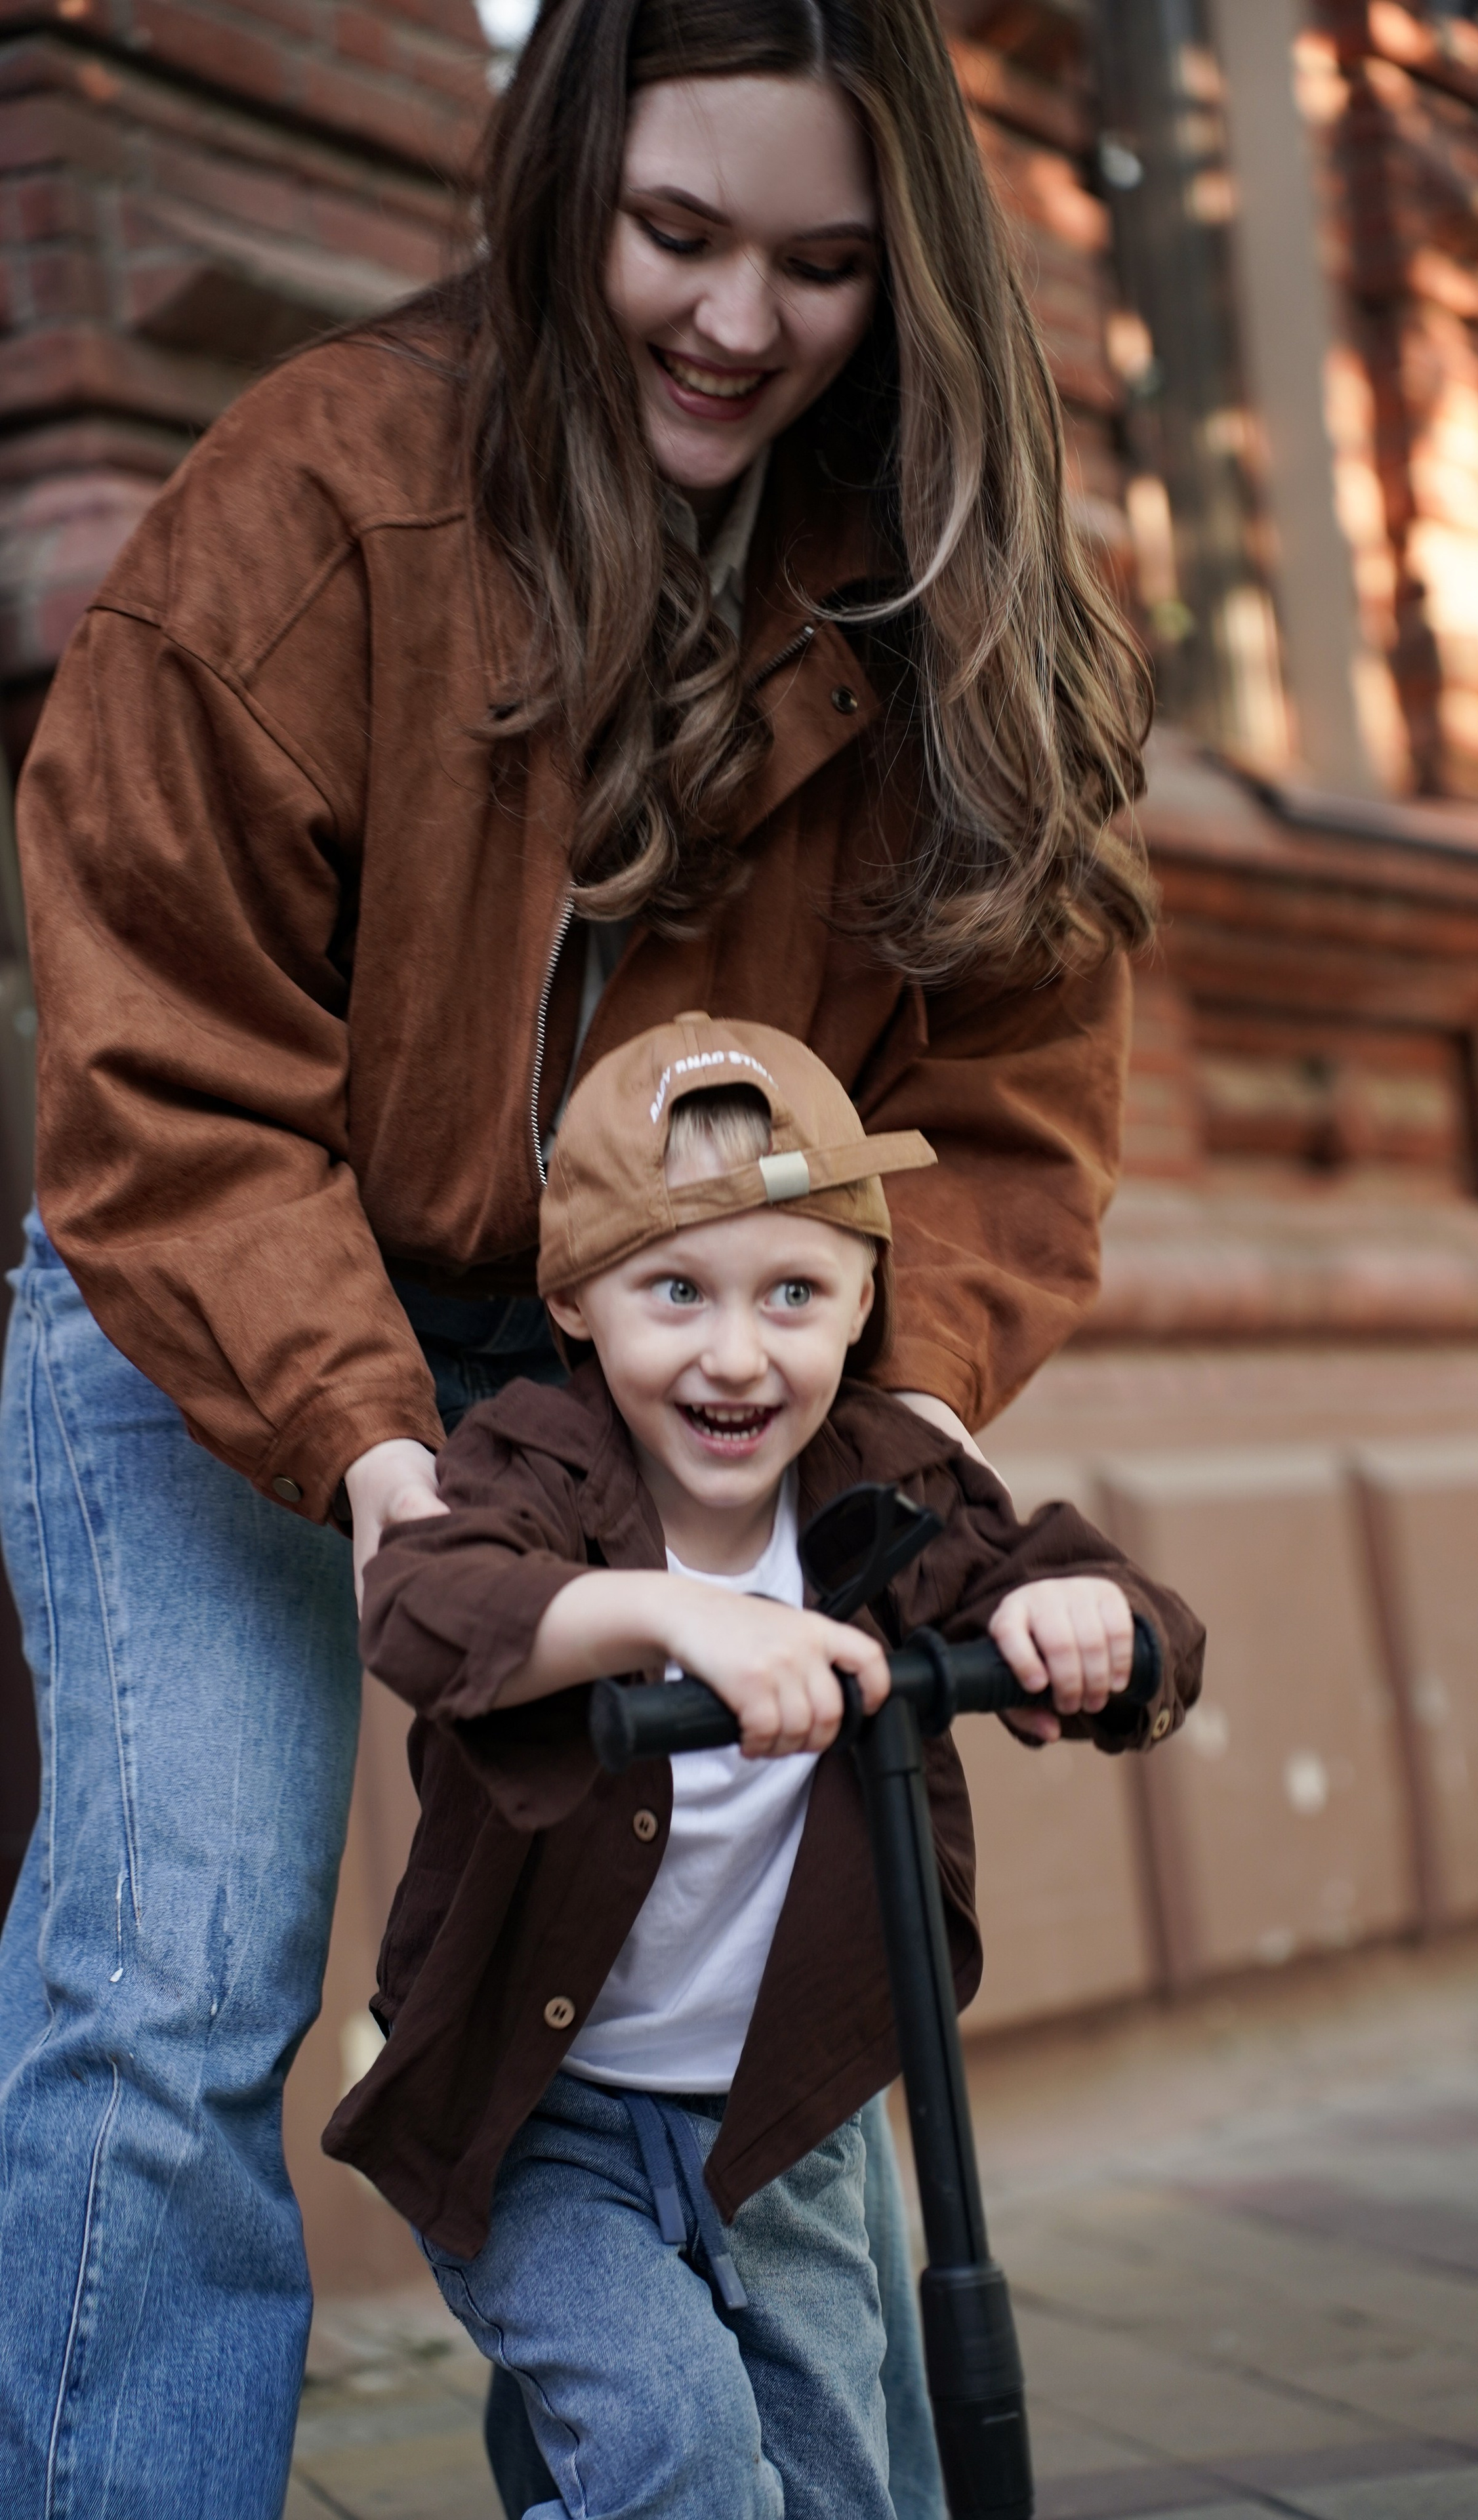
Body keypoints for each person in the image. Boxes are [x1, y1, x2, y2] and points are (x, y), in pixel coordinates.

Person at [0, 0, 1155, 2510]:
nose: (743, 321)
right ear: (560, 183)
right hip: (224, 1290)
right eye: (678, 236)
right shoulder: (314, 501)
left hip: (683, 1346)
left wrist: (904, 1407)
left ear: (916, 271)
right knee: (173, 1987)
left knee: (731, 2000)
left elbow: (1014, 1101)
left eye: (827, 264)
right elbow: (167, 1070)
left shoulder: (942, 588)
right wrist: (378, 1451)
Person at [329, 1014, 1202, 2520]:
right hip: (541, 2125)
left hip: (772, 2128)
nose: (736, 1353)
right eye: (676, 1290)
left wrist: (1082, 1616)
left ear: (865, 1300)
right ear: (577, 1303)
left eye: (792, 1292)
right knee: (677, 2451)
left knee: (837, 2482)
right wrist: (663, 1616)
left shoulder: (880, 1480)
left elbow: (1098, 1598)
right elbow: (420, 1597)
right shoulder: (532, 1470)